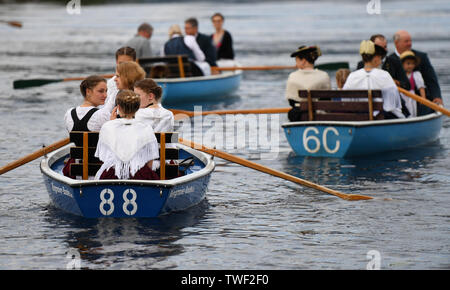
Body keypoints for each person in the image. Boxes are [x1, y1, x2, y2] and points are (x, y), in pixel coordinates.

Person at [94, 90, 160, 180]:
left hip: (113, 174)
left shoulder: (108, 126)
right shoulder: (145, 127)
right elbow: (150, 157)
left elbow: (104, 157)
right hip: (139, 173)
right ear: (137, 108)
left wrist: (111, 123)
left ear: (118, 107)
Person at [62, 75, 115, 178]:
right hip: (100, 171)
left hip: (76, 169)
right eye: (101, 91)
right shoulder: (102, 114)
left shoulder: (68, 114)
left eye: (106, 91)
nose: (105, 95)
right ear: (88, 92)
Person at [343, 40, 405, 119]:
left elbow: (346, 100)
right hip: (381, 118)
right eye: (380, 57)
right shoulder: (384, 75)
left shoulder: (352, 76)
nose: (381, 61)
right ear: (375, 58)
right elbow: (392, 103)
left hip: (359, 117)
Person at [387, 30, 443, 114]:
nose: (410, 43)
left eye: (410, 41)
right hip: (399, 102)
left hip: (421, 101)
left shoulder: (421, 57)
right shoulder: (390, 61)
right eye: (406, 41)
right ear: (396, 43)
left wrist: (437, 96)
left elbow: (431, 80)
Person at [285, 45, 331, 121]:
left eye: (297, 61)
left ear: (303, 61)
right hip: (320, 116)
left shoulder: (292, 76)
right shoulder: (324, 75)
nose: (295, 64)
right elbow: (327, 99)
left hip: (300, 117)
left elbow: (291, 102)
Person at [399, 50, 426, 117]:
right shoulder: (399, 75)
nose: (410, 66)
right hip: (401, 96)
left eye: (412, 64)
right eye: (408, 63)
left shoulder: (416, 74)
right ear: (402, 64)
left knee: (411, 111)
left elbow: (421, 88)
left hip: (411, 96)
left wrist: (423, 99)